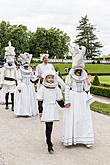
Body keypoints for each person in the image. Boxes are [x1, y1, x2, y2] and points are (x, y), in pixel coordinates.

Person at [62, 44, 94, 148]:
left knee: (84, 118)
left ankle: (85, 139)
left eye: (80, 70)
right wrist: (67, 100)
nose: (79, 72)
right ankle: (71, 139)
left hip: (82, 99)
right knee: (73, 118)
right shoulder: (69, 77)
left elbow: (86, 89)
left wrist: (88, 83)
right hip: (73, 98)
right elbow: (66, 89)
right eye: (77, 70)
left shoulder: (84, 76)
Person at [36, 70, 64, 154]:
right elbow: (40, 100)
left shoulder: (56, 88)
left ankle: (48, 140)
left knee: (51, 126)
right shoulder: (43, 88)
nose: (50, 79)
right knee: (48, 126)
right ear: (45, 78)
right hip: (46, 108)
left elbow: (59, 100)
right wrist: (40, 111)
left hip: (53, 108)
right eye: (49, 78)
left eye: (52, 77)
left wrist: (65, 105)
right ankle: (49, 143)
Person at [1, 41, 17, 111]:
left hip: (12, 82)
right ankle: (7, 104)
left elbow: (16, 75)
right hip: (6, 82)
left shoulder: (14, 68)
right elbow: (2, 75)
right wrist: (1, 83)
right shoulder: (4, 68)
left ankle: (13, 106)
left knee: (13, 94)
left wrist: (17, 82)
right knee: (6, 94)